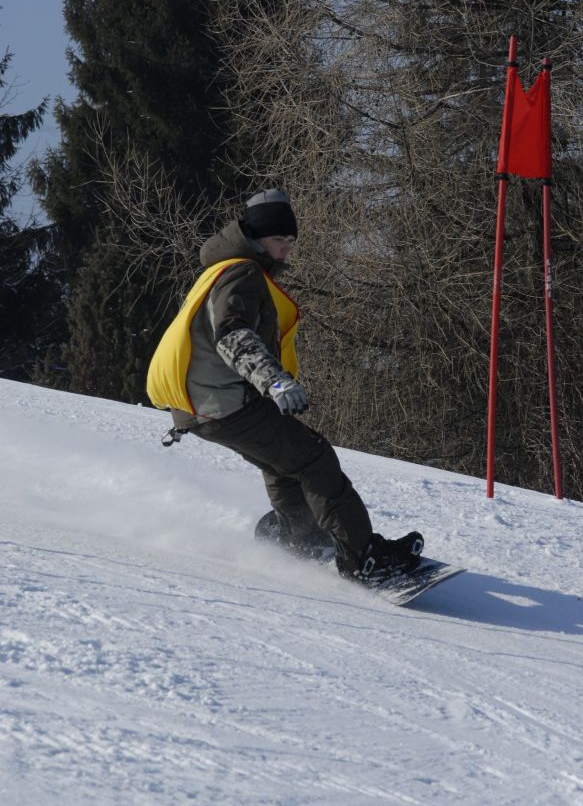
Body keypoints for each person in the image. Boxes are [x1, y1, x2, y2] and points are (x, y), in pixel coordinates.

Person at [147, 189, 424, 580]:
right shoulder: (241, 272)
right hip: (224, 401)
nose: (285, 252)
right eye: (280, 241)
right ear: (257, 236)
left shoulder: (224, 268)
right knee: (315, 458)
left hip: (204, 406)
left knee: (284, 462)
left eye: (290, 243)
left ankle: (299, 539)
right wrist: (274, 381)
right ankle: (363, 558)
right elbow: (230, 333)